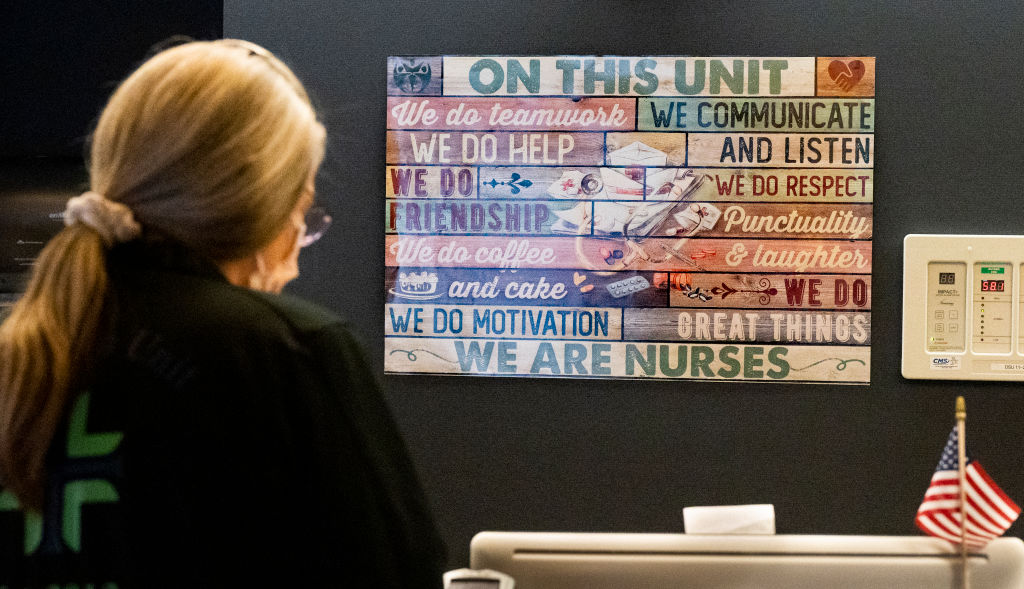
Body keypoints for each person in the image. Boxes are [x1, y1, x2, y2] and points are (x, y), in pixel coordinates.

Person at [0, 39, 445, 587]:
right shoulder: (287, 351)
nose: (296, 262)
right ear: (261, 209)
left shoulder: (17, 356)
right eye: (302, 215)